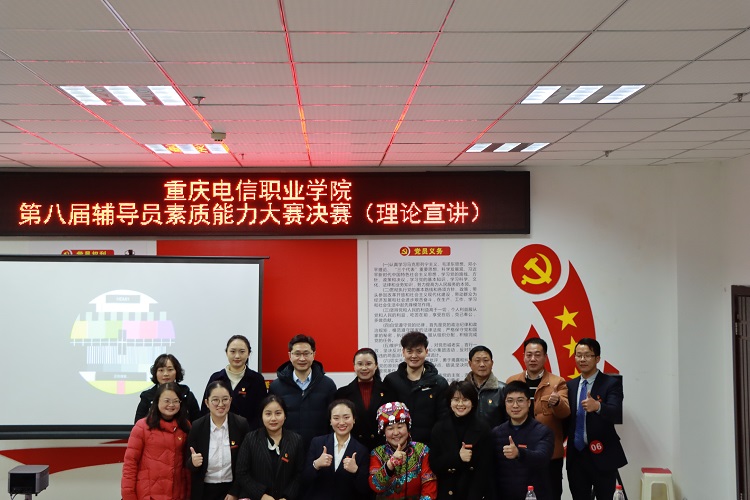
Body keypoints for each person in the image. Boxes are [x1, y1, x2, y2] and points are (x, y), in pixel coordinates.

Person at [506, 338, 570, 500]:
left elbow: (565, 413)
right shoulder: (512, 381)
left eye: (537, 355)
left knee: (550, 495)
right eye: (529, 355)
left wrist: (557, 403)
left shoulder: (557, 382)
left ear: (545, 357)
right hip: (519, 451)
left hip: (549, 454)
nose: (533, 359)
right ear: (523, 356)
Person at [566, 338, 627, 500]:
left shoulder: (611, 383)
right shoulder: (570, 385)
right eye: (579, 355)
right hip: (576, 456)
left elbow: (615, 412)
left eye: (587, 355)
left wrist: (598, 406)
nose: (582, 359)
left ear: (597, 358)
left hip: (603, 453)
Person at [122, 382, 191, 500]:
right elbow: (130, 464)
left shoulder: (185, 426)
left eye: (176, 401)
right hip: (148, 495)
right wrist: (128, 495)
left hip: (177, 494)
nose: (171, 405)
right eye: (167, 401)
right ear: (157, 401)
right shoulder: (142, 426)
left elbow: (187, 466)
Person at [269, 335, 337, 450]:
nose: (302, 359)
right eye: (297, 354)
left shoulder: (328, 385)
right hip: (286, 449)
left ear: (313, 355)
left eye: (306, 354)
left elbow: (333, 420)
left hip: (320, 449)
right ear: (290, 356)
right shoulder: (276, 387)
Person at [187, 380, 251, 500]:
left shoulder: (241, 424)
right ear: (207, 403)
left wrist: (235, 492)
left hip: (232, 490)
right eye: (215, 400)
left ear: (230, 400)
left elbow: (247, 463)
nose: (221, 404)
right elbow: (188, 461)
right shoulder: (197, 426)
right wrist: (193, 462)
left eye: (225, 399)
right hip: (204, 491)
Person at [490, 381, 554, 500]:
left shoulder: (543, 432)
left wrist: (519, 453)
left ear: (529, 403)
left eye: (520, 400)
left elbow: (542, 457)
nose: (515, 406)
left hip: (534, 495)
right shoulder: (496, 433)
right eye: (510, 401)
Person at [429, 380, 492, 500]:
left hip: (473, 492)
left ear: (473, 402)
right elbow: (434, 464)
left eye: (465, 399)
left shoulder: (483, 429)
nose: (460, 404)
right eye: (456, 399)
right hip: (447, 491)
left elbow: (485, 469)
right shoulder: (439, 428)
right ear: (450, 402)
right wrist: (457, 458)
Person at [383, 331, 448, 445]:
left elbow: (443, 419)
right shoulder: (391, 381)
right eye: (409, 351)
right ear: (403, 352)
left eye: (419, 351)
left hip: (429, 446)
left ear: (426, 352)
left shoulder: (438, 382)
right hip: (397, 445)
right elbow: (385, 416)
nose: (414, 356)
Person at [235, 394, 305, 500]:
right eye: (268, 414)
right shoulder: (250, 438)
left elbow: (299, 474)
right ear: (261, 416)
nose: (273, 418)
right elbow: (241, 473)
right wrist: (262, 495)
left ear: (285, 415)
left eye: (278, 413)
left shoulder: (296, 440)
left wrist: (287, 497)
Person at [302, 399, 370, 500]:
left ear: (354, 419)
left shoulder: (361, 450)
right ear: (330, 421)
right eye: (336, 418)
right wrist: (316, 465)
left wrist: (356, 471)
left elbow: (365, 490)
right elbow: (304, 479)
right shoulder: (317, 443)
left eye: (346, 417)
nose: (341, 422)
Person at [369, 402, 437, 500]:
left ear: (408, 428)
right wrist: (389, 465)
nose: (396, 433)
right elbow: (376, 486)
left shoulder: (422, 450)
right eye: (390, 428)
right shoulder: (376, 454)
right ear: (384, 432)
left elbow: (429, 487)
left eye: (400, 427)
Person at [202, 335, 267, 430]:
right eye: (232, 351)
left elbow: (262, 412)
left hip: (248, 433)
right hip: (219, 431)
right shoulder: (216, 378)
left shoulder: (256, 379)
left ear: (248, 353)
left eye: (242, 351)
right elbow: (205, 410)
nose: (237, 356)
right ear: (226, 353)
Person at [334, 347, 393, 450]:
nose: (364, 368)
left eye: (368, 364)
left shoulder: (389, 391)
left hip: (382, 448)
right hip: (353, 448)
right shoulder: (342, 393)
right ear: (354, 366)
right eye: (360, 364)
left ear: (376, 366)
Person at [135, 353, 201, 423]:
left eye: (170, 370)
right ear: (155, 373)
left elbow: (197, 423)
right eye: (161, 370)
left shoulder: (187, 395)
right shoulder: (147, 396)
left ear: (177, 371)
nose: (165, 374)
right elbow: (138, 424)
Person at [465, 345, 507, 428]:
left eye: (486, 360)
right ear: (470, 364)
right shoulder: (462, 390)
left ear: (492, 363)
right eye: (477, 361)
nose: (482, 364)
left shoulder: (503, 389)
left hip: (496, 435)